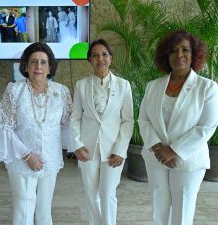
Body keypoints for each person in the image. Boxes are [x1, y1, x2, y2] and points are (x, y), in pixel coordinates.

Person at [138, 30, 218, 225]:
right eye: (173, 50)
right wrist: (158, 148)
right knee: (159, 209)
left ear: (194, 54)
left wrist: (173, 151)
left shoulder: (207, 87)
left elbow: (206, 126)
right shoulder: (153, 86)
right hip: (155, 157)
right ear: (166, 55)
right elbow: (143, 120)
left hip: (187, 160)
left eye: (185, 50)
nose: (179, 55)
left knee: (182, 214)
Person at [0, 42, 72, 225]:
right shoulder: (14, 90)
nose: (38, 67)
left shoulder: (62, 92)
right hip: (21, 158)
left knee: (44, 210)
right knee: (24, 210)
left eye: (43, 62)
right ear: (25, 66)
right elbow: (5, 128)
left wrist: (72, 148)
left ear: (50, 67)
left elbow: (68, 123)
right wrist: (27, 156)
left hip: (50, 160)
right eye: (33, 61)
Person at [70, 39, 134, 225]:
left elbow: (128, 120)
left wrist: (121, 150)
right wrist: (77, 144)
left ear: (111, 58)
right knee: (91, 194)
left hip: (113, 149)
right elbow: (75, 118)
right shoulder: (81, 85)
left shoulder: (123, 85)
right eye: (95, 55)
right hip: (87, 148)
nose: (100, 59)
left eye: (104, 54)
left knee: (108, 194)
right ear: (89, 59)